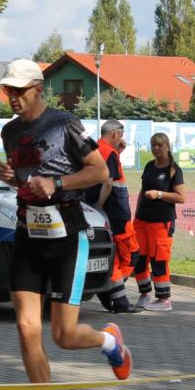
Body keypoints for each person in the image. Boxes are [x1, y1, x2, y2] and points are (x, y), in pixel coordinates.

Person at [0, 59, 133, 390]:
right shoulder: (8, 132)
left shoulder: (63, 124)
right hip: (27, 234)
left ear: (38, 88)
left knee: (64, 335)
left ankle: (109, 343)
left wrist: (56, 182)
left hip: (68, 235)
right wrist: (8, 177)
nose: (13, 97)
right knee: (25, 328)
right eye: (9, 90)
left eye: (20, 90)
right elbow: (22, 177)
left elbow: (99, 172)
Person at [85, 119, 141, 314]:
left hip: (99, 212)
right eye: (121, 135)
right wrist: (100, 205)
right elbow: (108, 183)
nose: (122, 139)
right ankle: (110, 290)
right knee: (131, 255)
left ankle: (118, 299)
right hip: (116, 211)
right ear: (115, 134)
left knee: (114, 257)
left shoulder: (95, 149)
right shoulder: (109, 153)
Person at [132, 132, 186, 311]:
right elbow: (142, 191)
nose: (156, 148)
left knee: (158, 260)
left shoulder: (174, 170)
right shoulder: (149, 166)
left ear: (167, 146)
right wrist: (137, 212)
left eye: (159, 145)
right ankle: (145, 294)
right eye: (153, 145)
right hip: (142, 221)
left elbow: (181, 197)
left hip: (161, 223)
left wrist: (160, 194)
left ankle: (164, 299)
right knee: (138, 258)